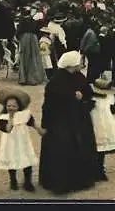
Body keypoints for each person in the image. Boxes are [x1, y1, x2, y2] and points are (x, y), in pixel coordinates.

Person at [38, 51, 100, 195]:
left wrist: (82, 96)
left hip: (78, 119)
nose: (81, 64)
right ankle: (60, 183)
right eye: (79, 62)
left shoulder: (79, 77)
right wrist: (45, 124)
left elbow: (88, 93)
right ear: (72, 64)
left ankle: (79, 180)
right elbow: (49, 104)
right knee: (63, 150)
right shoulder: (56, 81)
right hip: (61, 122)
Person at [0, 88, 45, 192]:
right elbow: (8, 130)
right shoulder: (3, 118)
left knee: (26, 160)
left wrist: (39, 129)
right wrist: (11, 118)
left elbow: (32, 123)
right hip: (10, 143)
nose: (11, 108)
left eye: (14, 106)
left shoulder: (24, 115)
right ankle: (13, 180)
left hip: (23, 142)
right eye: (9, 106)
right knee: (11, 161)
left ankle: (28, 182)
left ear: (19, 107)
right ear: (5, 106)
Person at [90, 81, 115, 180]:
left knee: (94, 148)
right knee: (102, 149)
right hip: (107, 124)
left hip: (93, 123)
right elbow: (114, 110)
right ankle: (100, 171)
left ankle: (94, 170)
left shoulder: (91, 97)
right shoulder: (112, 98)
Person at [16, 9, 46, 86]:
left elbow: (18, 32)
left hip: (25, 38)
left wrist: (18, 37)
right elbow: (37, 30)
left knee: (24, 57)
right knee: (34, 57)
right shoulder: (33, 21)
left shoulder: (22, 21)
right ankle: (34, 78)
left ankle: (24, 78)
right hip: (33, 38)